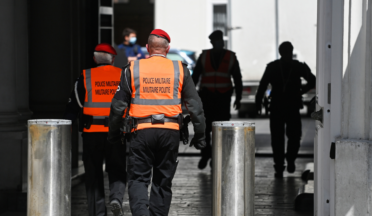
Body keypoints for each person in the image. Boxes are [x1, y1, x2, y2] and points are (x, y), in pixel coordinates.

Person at [107, 29, 206, 216]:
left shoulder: (132, 69)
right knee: (163, 181)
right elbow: (195, 105)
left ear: (147, 48)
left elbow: (118, 106)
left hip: (140, 131)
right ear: (167, 50)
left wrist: (113, 134)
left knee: (138, 179)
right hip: (170, 132)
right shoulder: (180, 69)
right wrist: (200, 135)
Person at [63, 43, 127, 216]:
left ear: (94, 59)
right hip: (117, 132)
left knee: (93, 173)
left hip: (92, 133)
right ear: (113, 59)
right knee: (117, 168)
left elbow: (73, 107)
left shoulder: (85, 77)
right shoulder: (123, 76)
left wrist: (66, 127)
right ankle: (116, 198)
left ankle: (97, 213)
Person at [255, 41, 316, 178]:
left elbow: (263, 85)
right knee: (294, 136)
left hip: (277, 106)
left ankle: (279, 166)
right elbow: (313, 80)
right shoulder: (298, 66)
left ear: (280, 52)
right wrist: (302, 90)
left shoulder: (272, 67)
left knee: (277, 138)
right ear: (291, 51)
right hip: (292, 106)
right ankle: (290, 159)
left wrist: (258, 103)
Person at [192, 30, 243, 169]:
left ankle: (216, 157)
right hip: (207, 97)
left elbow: (237, 78)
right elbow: (195, 77)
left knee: (220, 130)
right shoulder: (204, 56)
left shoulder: (230, 56)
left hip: (222, 98)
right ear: (212, 42)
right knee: (206, 128)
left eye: (219, 40)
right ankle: (206, 154)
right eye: (216, 41)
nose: (218, 42)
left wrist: (238, 98)